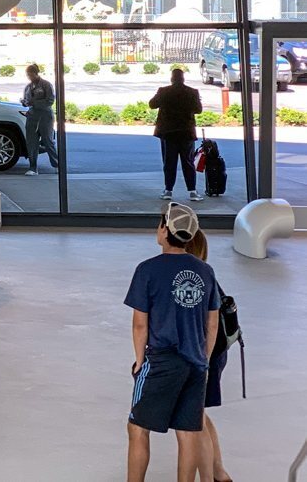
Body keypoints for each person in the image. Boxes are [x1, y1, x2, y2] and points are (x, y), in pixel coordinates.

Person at [124, 202, 220, 482]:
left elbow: (140, 323)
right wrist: (204, 358)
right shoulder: (205, 270)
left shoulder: (147, 270)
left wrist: (140, 361)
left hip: (162, 360)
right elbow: (211, 323)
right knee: (188, 431)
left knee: (137, 427)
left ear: (165, 230)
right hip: (196, 363)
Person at [184, 229, 233, 482]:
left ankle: (208, 478)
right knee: (200, 414)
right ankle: (218, 473)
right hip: (215, 353)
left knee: (194, 421)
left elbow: (207, 325)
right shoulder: (208, 275)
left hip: (204, 354)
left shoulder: (193, 281)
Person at [149, 67, 204, 202]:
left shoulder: (164, 91)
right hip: (186, 132)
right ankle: (192, 191)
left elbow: (152, 104)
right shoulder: (192, 92)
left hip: (168, 133)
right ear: (183, 79)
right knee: (188, 162)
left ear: (172, 79)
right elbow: (198, 110)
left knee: (169, 162)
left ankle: (168, 190)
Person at [20, 64, 59, 176]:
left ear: (36, 73)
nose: (29, 77)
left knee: (48, 141)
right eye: (28, 75)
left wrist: (36, 103)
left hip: (45, 116)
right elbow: (27, 101)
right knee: (31, 143)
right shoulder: (28, 87)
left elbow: (50, 100)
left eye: (31, 74)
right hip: (32, 116)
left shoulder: (46, 85)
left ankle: (56, 164)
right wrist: (24, 102)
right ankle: (33, 168)